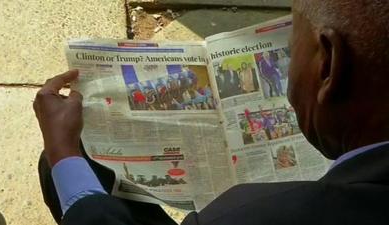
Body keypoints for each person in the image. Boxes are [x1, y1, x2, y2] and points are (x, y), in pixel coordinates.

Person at [34, 0, 389, 224]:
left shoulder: (254, 216)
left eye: (292, 45)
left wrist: (62, 154)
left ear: (327, 64)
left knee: (68, 163)